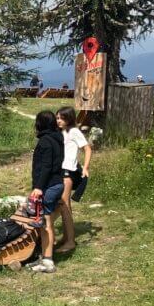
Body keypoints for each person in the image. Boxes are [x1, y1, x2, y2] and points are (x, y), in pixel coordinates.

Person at [28, 110, 66, 274]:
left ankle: (48, 261)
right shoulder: (57, 138)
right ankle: (44, 256)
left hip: (49, 186)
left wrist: (38, 187)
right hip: (56, 183)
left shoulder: (45, 141)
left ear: (40, 123)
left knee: (46, 225)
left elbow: (46, 167)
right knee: (44, 223)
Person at [54, 107, 90, 256]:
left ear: (68, 119)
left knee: (64, 204)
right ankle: (67, 237)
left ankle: (70, 242)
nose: (58, 121)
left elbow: (87, 148)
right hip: (60, 170)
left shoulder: (74, 131)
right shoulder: (60, 132)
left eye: (61, 118)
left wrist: (86, 167)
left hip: (68, 171)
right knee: (63, 204)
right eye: (57, 118)